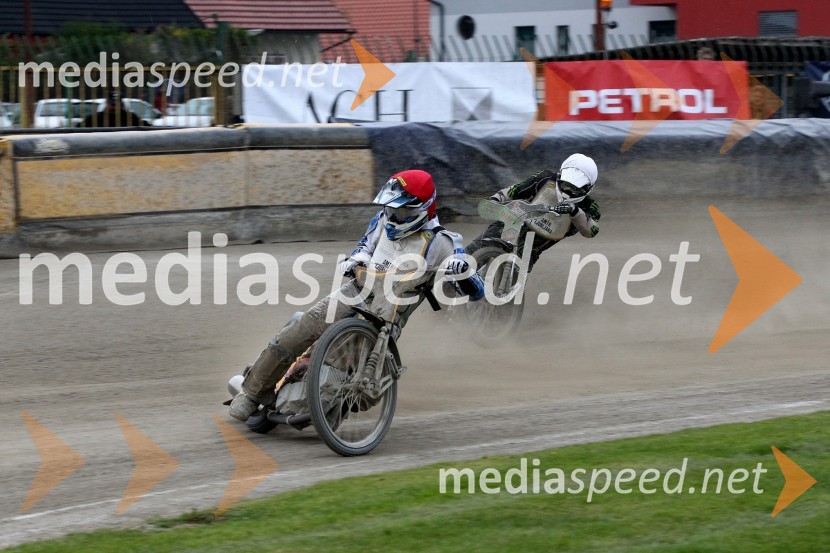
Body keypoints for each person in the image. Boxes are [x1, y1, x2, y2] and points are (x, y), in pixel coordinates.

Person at [229, 169, 485, 422]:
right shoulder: (381, 221)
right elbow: (363, 247)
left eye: (402, 211)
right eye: (391, 209)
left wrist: (462, 272)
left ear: (423, 207)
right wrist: (357, 259)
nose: (394, 216)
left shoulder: (444, 242)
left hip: (385, 316)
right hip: (355, 292)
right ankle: (251, 393)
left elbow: (474, 292)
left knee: (337, 359)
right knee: (302, 326)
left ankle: (316, 401)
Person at [466, 153, 601, 271]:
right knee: (473, 251)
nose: (569, 192)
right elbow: (515, 190)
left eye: (575, 189)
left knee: (518, 285)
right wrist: (496, 199)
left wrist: (575, 211)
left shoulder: (590, 206)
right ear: (560, 175)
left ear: (588, 188)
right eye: (566, 185)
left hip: (531, 249)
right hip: (511, 224)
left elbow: (591, 231)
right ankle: (452, 269)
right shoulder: (544, 178)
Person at [80, 92, 147, 128]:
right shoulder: (95, 118)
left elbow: (145, 127)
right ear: (107, 104)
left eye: (116, 105)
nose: (114, 107)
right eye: (112, 104)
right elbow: (79, 128)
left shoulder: (130, 117)